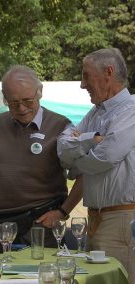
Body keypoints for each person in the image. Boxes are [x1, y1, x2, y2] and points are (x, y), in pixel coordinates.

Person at [0, 65, 83, 250]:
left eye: (28, 100)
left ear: (40, 92)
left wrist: (62, 212)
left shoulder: (62, 126)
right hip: (0, 226)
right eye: (13, 102)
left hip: (42, 224)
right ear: (4, 98)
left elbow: (83, 176)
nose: (21, 108)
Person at [57, 48, 135, 283]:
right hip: (98, 220)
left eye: (86, 75)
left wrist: (78, 157)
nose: (82, 84)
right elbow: (62, 148)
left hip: (121, 220)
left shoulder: (131, 110)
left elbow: (106, 157)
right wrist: (92, 140)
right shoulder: (96, 113)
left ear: (108, 73)